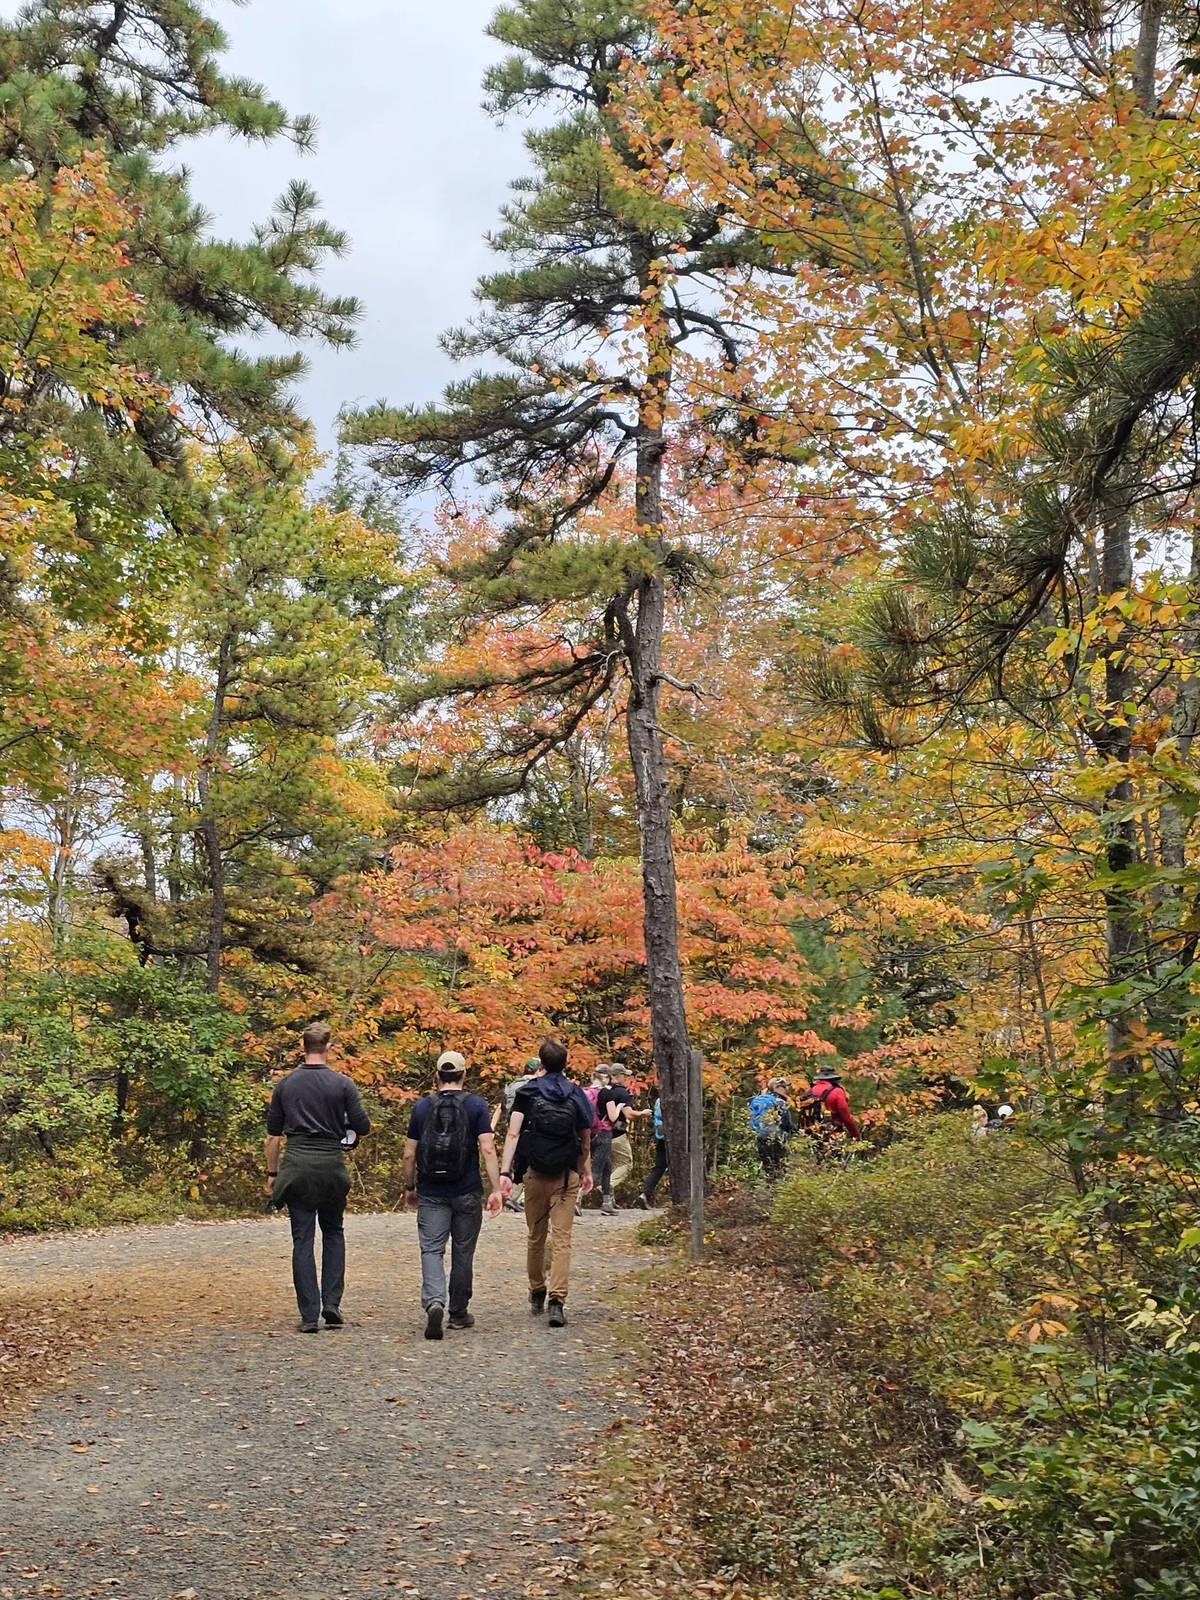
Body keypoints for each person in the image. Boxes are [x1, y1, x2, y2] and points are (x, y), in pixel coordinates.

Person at [265, 1022, 371, 1333]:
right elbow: (363, 1127)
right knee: (333, 1232)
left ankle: (309, 1315)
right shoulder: (343, 1084)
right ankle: (332, 1303)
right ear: (328, 1048)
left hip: (297, 1167)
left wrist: (272, 1174)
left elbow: (272, 1137)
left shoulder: (285, 1085)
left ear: (302, 1047)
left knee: (303, 1239)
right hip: (330, 1167)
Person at [403, 1050, 503, 1340]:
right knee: (463, 1250)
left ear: (437, 1076)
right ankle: (458, 1313)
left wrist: (410, 1187)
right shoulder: (476, 1105)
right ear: (464, 1075)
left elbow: (409, 1153)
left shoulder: (422, 1107)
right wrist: (496, 1189)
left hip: (431, 1190)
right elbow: (487, 1148)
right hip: (466, 1189)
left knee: (432, 1249)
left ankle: (435, 1301)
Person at [499, 1037, 594, 1327]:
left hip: (535, 1173)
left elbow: (513, 1133)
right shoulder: (576, 1094)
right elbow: (585, 1139)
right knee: (563, 1239)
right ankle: (557, 1301)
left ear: (540, 1062)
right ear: (566, 1063)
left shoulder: (527, 1092)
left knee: (536, 1236)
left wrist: (505, 1172)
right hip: (566, 1176)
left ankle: (537, 1289)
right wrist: (585, 1171)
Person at [599, 1063, 652, 1214]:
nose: (626, 1078)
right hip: (617, 1134)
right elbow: (628, 1114)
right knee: (625, 1163)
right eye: (624, 1075)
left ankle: (609, 1201)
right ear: (618, 1075)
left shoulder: (603, 1090)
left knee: (608, 1166)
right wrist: (642, 1113)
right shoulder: (622, 1093)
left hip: (600, 1133)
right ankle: (606, 1186)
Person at [493, 1058, 543, 1211]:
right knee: (530, 1164)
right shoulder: (535, 1086)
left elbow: (501, 1107)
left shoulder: (511, 1085)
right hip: (528, 1128)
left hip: (511, 1128)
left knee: (515, 1163)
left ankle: (510, 1197)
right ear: (538, 1070)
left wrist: (492, 1127)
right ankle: (518, 1198)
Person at [798, 1064, 862, 1141]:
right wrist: (856, 1135)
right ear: (833, 1079)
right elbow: (846, 1118)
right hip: (833, 1135)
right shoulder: (837, 1091)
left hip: (811, 1135)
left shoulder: (810, 1091)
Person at [748, 1077, 794, 1179]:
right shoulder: (779, 1102)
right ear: (777, 1087)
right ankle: (776, 1186)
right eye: (784, 1087)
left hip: (759, 1137)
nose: (786, 1090)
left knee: (767, 1167)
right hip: (775, 1138)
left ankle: (768, 1185)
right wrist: (795, 1131)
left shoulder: (757, 1100)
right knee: (778, 1167)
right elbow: (787, 1124)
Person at [585, 1065, 612, 1210]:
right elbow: (612, 1116)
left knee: (607, 1165)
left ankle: (607, 1201)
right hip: (603, 1131)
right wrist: (619, 1107)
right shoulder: (606, 1093)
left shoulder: (584, 1092)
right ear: (606, 1077)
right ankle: (577, 1198)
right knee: (596, 1170)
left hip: (587, 1132)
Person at [634, 1095, 667, 1208]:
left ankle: (645, 1193)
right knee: (680, 1167)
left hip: (660, 1135)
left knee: (659, 1167)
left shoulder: (659, 1100)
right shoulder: (680, 1098)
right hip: (675, 1136)